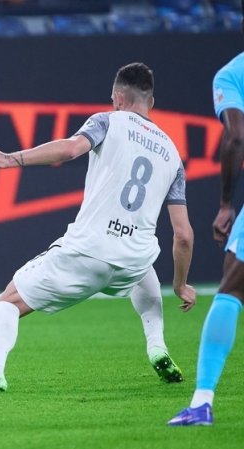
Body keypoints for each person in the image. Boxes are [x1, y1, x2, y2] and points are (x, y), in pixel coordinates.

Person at [0, 62, 196, 394]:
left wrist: (9, 158)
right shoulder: (172, 155)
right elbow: (183, 235)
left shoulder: (107, 121)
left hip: (89, 251)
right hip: (133, 259)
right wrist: (180, 284)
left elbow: (67, 150)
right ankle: (157, 346)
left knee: (7, 302)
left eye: (113, 99)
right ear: (150, 101)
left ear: (119, 97)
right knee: (143, 266)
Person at [168, 50, 244, 426]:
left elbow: (236, 136)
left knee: (232, 289)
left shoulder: (232, 73)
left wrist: (227, 203)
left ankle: (202, 403)